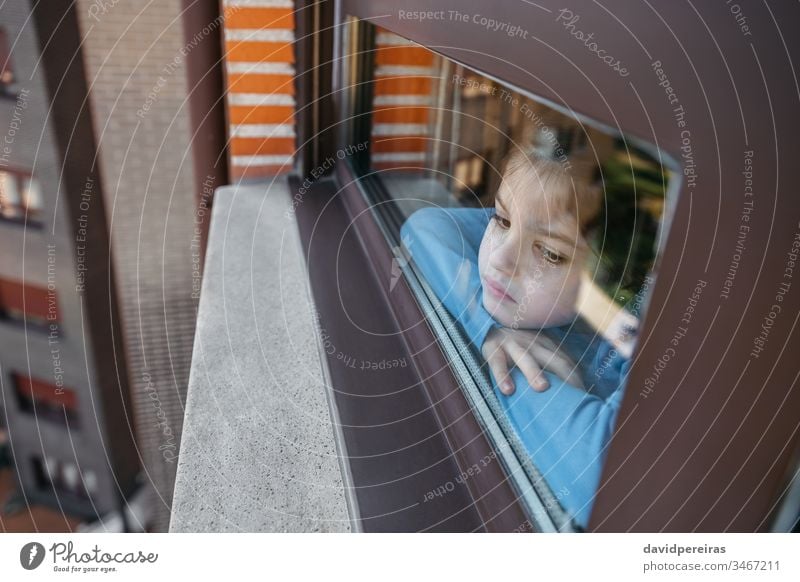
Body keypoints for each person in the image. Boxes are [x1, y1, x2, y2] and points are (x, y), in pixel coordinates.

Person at [400, 149, 634, 528]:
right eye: (501, 219)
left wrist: (518, 369)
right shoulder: (518, 247)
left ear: (609, 281)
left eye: (552, 254)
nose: (500, 259)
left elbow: (601, 482)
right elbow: (424, 226)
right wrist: (490, 328)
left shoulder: (629, 339)